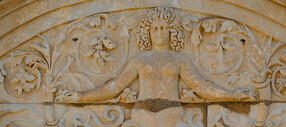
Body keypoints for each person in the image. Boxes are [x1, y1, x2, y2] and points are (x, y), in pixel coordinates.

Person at [55, 7, 256, 103]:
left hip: (173, 116)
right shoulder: (140, 60)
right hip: (142, 117)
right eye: (155, 29)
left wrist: (232, 94)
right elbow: (114, 87)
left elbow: (200, 86)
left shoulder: (179, 60)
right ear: (147, 33)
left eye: (163, 28)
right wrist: (80, 97)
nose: (159, 33)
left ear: (173, 32)